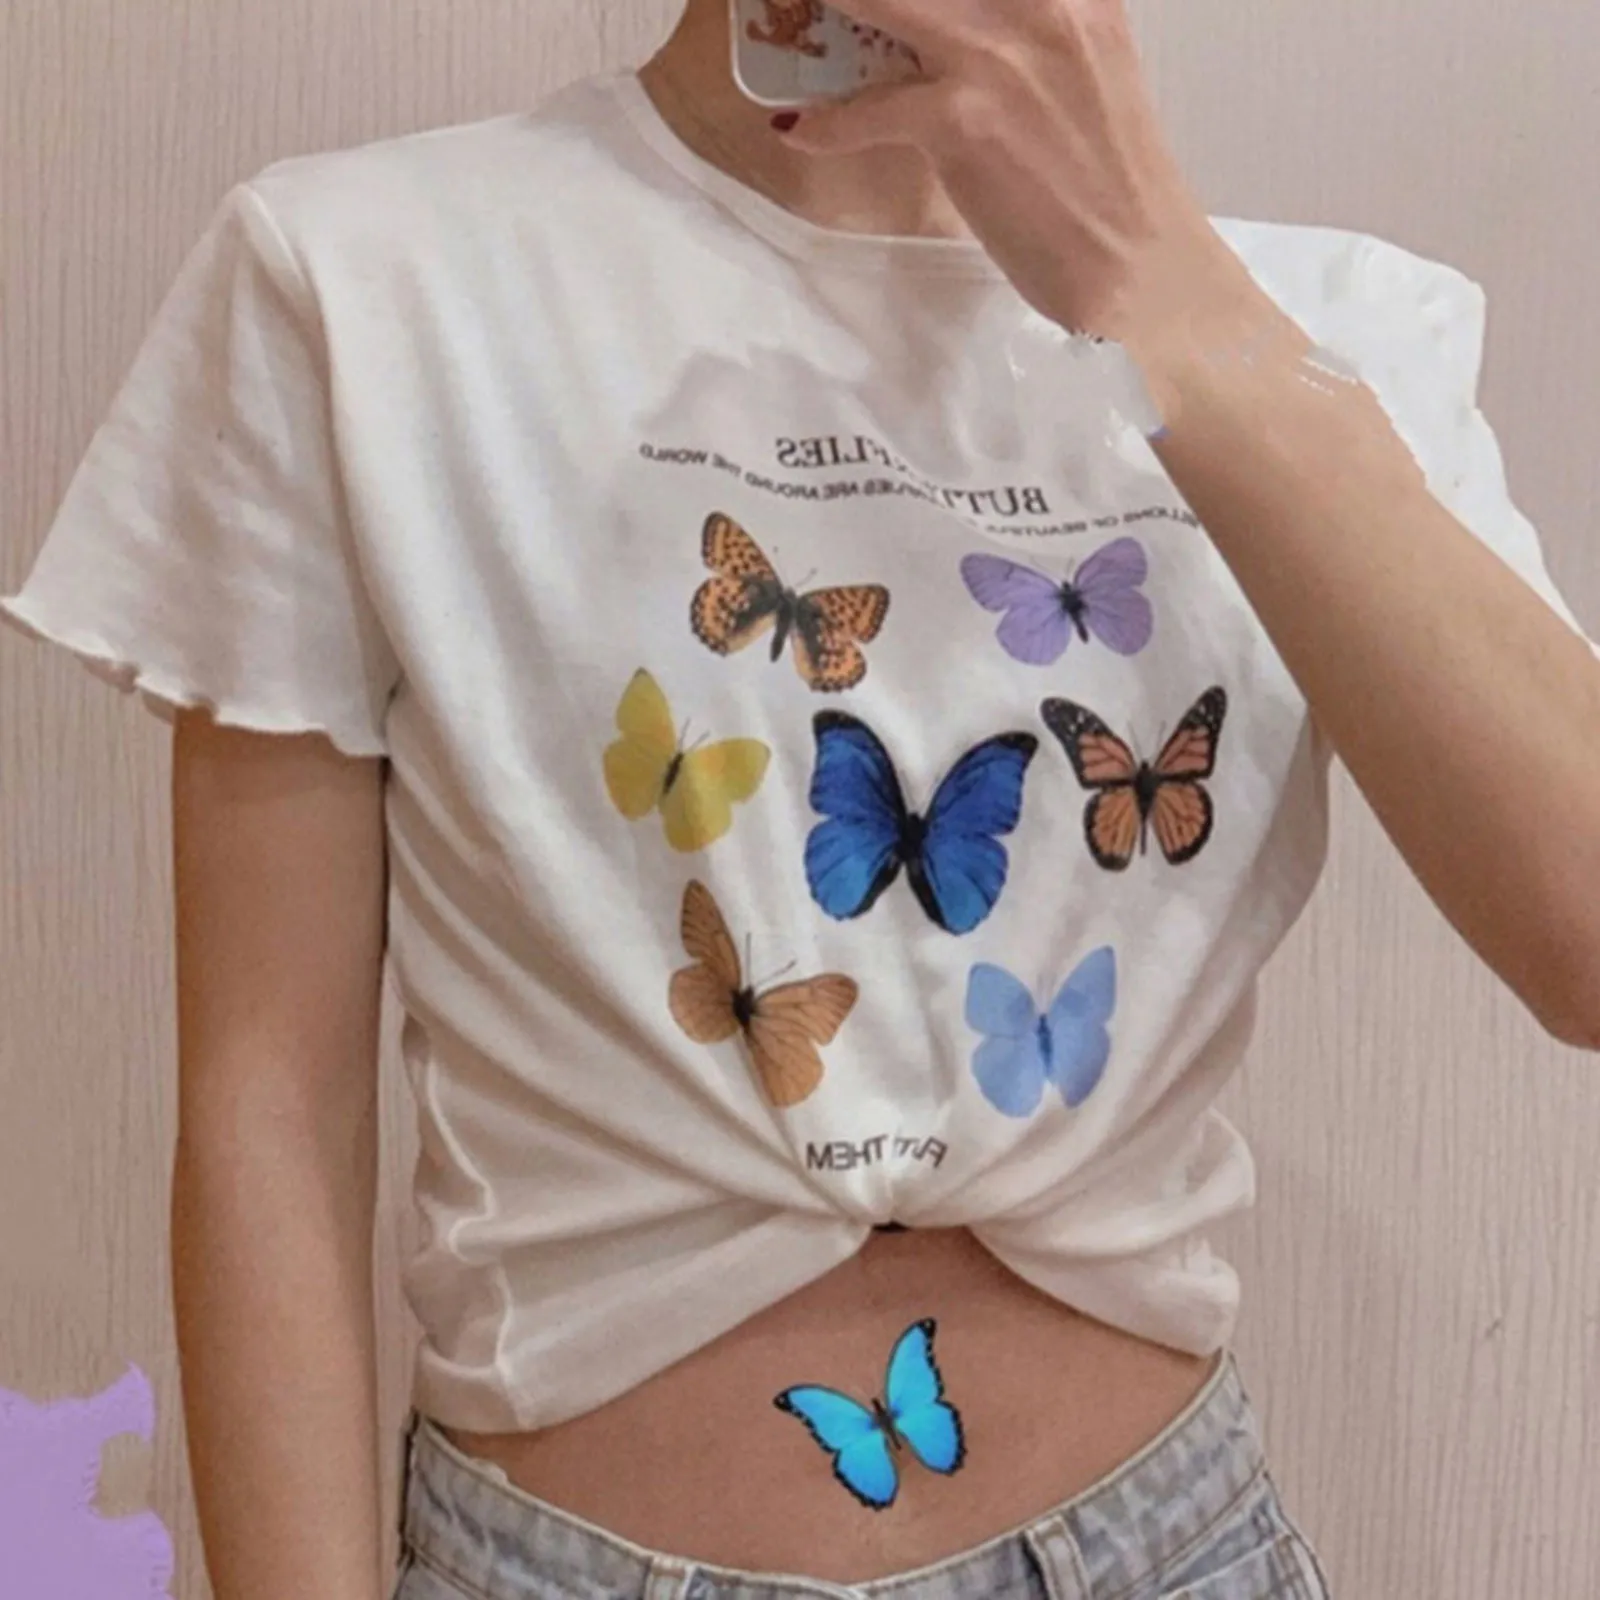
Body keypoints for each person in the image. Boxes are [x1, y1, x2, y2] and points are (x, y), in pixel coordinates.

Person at [4, 1, 1598, 1596]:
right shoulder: (360, 283)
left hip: (1170, 1545)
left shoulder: (1331, 326)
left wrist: (1152, 285)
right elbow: (270, 1115)